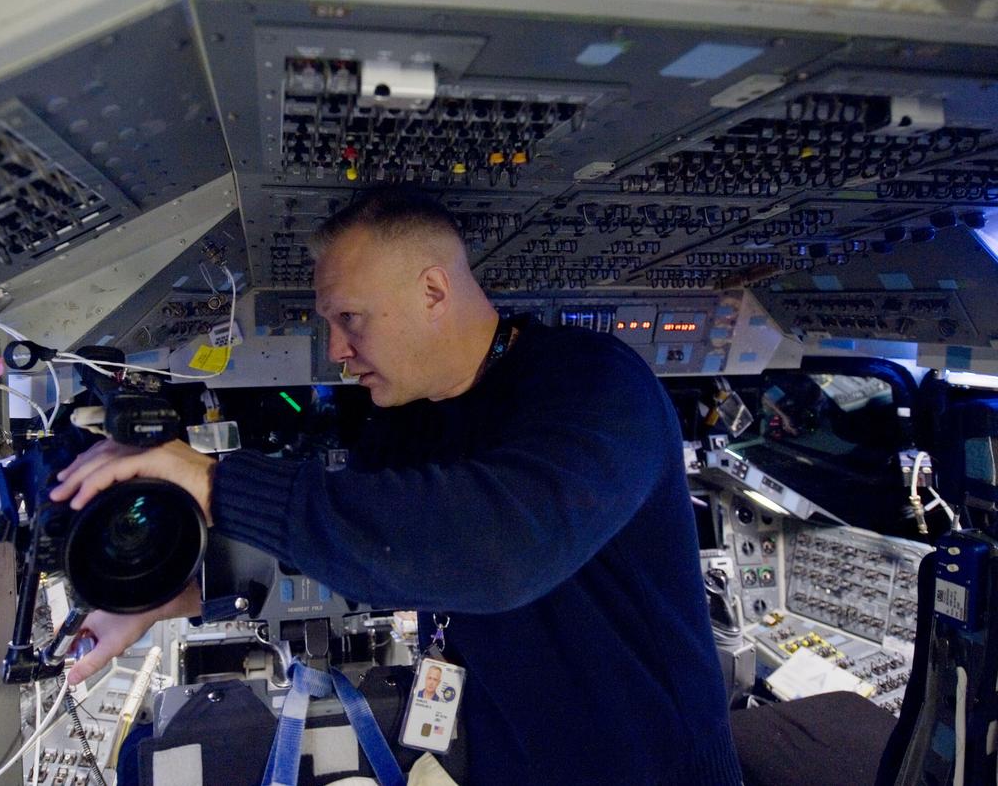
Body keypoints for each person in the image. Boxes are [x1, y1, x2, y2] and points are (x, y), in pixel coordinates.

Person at [50, 189, 742, 784]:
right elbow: (366, 548)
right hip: (507, 753)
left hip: (653, 765)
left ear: (433, 290)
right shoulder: (408, 418)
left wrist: (211, 479)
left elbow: (495, 552)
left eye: (351, 318)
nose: (338, 351)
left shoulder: (598, 388)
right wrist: (171, 596)